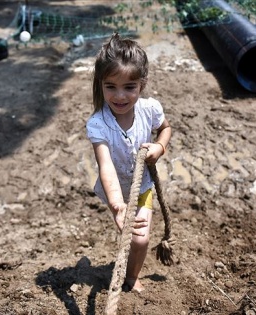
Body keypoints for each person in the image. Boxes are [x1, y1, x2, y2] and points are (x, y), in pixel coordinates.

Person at [86, 33, 172, 293]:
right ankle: (127, 265)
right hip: (115, 190)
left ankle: (132, 277)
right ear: (100, 84)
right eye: (111, 86)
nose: (120, 96)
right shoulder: (98, 124)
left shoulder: (150, 109)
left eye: (129, 87)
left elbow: (165, 129)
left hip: (142, 185)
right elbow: (106, 166)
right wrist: (116, 204)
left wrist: (159, 146)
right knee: (129, 234)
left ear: (141, 84)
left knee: (140, 238)